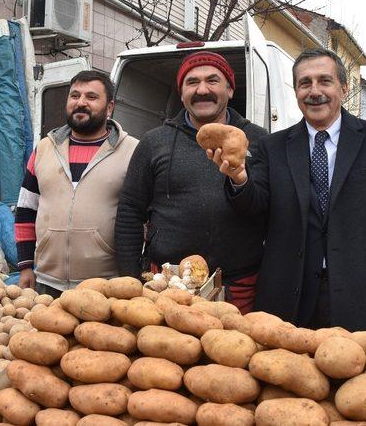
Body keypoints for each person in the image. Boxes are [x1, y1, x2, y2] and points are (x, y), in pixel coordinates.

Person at [207, 48, 366, 337]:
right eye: (305, 83)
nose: (314, 91)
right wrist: (240, 179)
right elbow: (255, 209)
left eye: (325, 81)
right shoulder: (274, 147)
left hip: (360, 297)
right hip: (287, 298)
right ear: (295, 91)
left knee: (353, 379)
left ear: (344, 88)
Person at [115, 51, 268, 313]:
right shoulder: (154, 141)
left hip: (238, 285)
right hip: (169, 283)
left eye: (213, 80)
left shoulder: (257, 139)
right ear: (182, 92)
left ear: (230, 89)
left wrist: (240, 181)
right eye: (192, 82)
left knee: (234, 352)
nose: (202, 90)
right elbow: (130, 210)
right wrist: (131, 278)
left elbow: (266, 209)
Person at [15, 70, 139, 297]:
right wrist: (25, 266)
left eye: (91, 97)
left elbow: (143, 219)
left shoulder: (132, 151)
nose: (80, 103)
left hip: (106, 284)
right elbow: (26, 209)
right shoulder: (44, 149)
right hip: (46, 282)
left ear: (109, 107)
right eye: (75, 96)